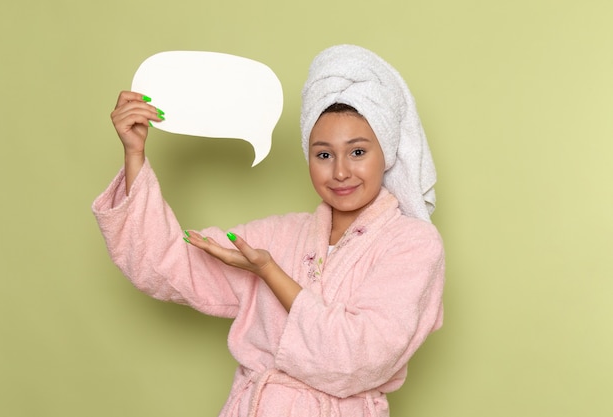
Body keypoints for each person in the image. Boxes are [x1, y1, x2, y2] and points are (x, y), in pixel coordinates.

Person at [93, 44, 445, 417]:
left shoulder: (414, 244)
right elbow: (165, 264)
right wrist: (134, 154)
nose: (340, 171)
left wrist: (269, 272)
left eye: (357, 152)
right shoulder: (280, 235)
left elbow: (358, 359)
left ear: (386, 153)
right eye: (323, 154)